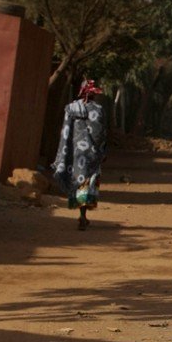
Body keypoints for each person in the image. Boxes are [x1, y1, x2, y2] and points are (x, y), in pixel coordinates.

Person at [52, 79, 107, 230]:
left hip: (75, 153)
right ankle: (83, 214)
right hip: (92, 154)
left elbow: (65, 132)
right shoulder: (98, 109)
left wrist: (66, 151)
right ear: (92, 94)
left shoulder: (71, 108)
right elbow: (101, 133)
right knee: (88, 182)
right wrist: (102, 151)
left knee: (78, 180)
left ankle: (81, 213)